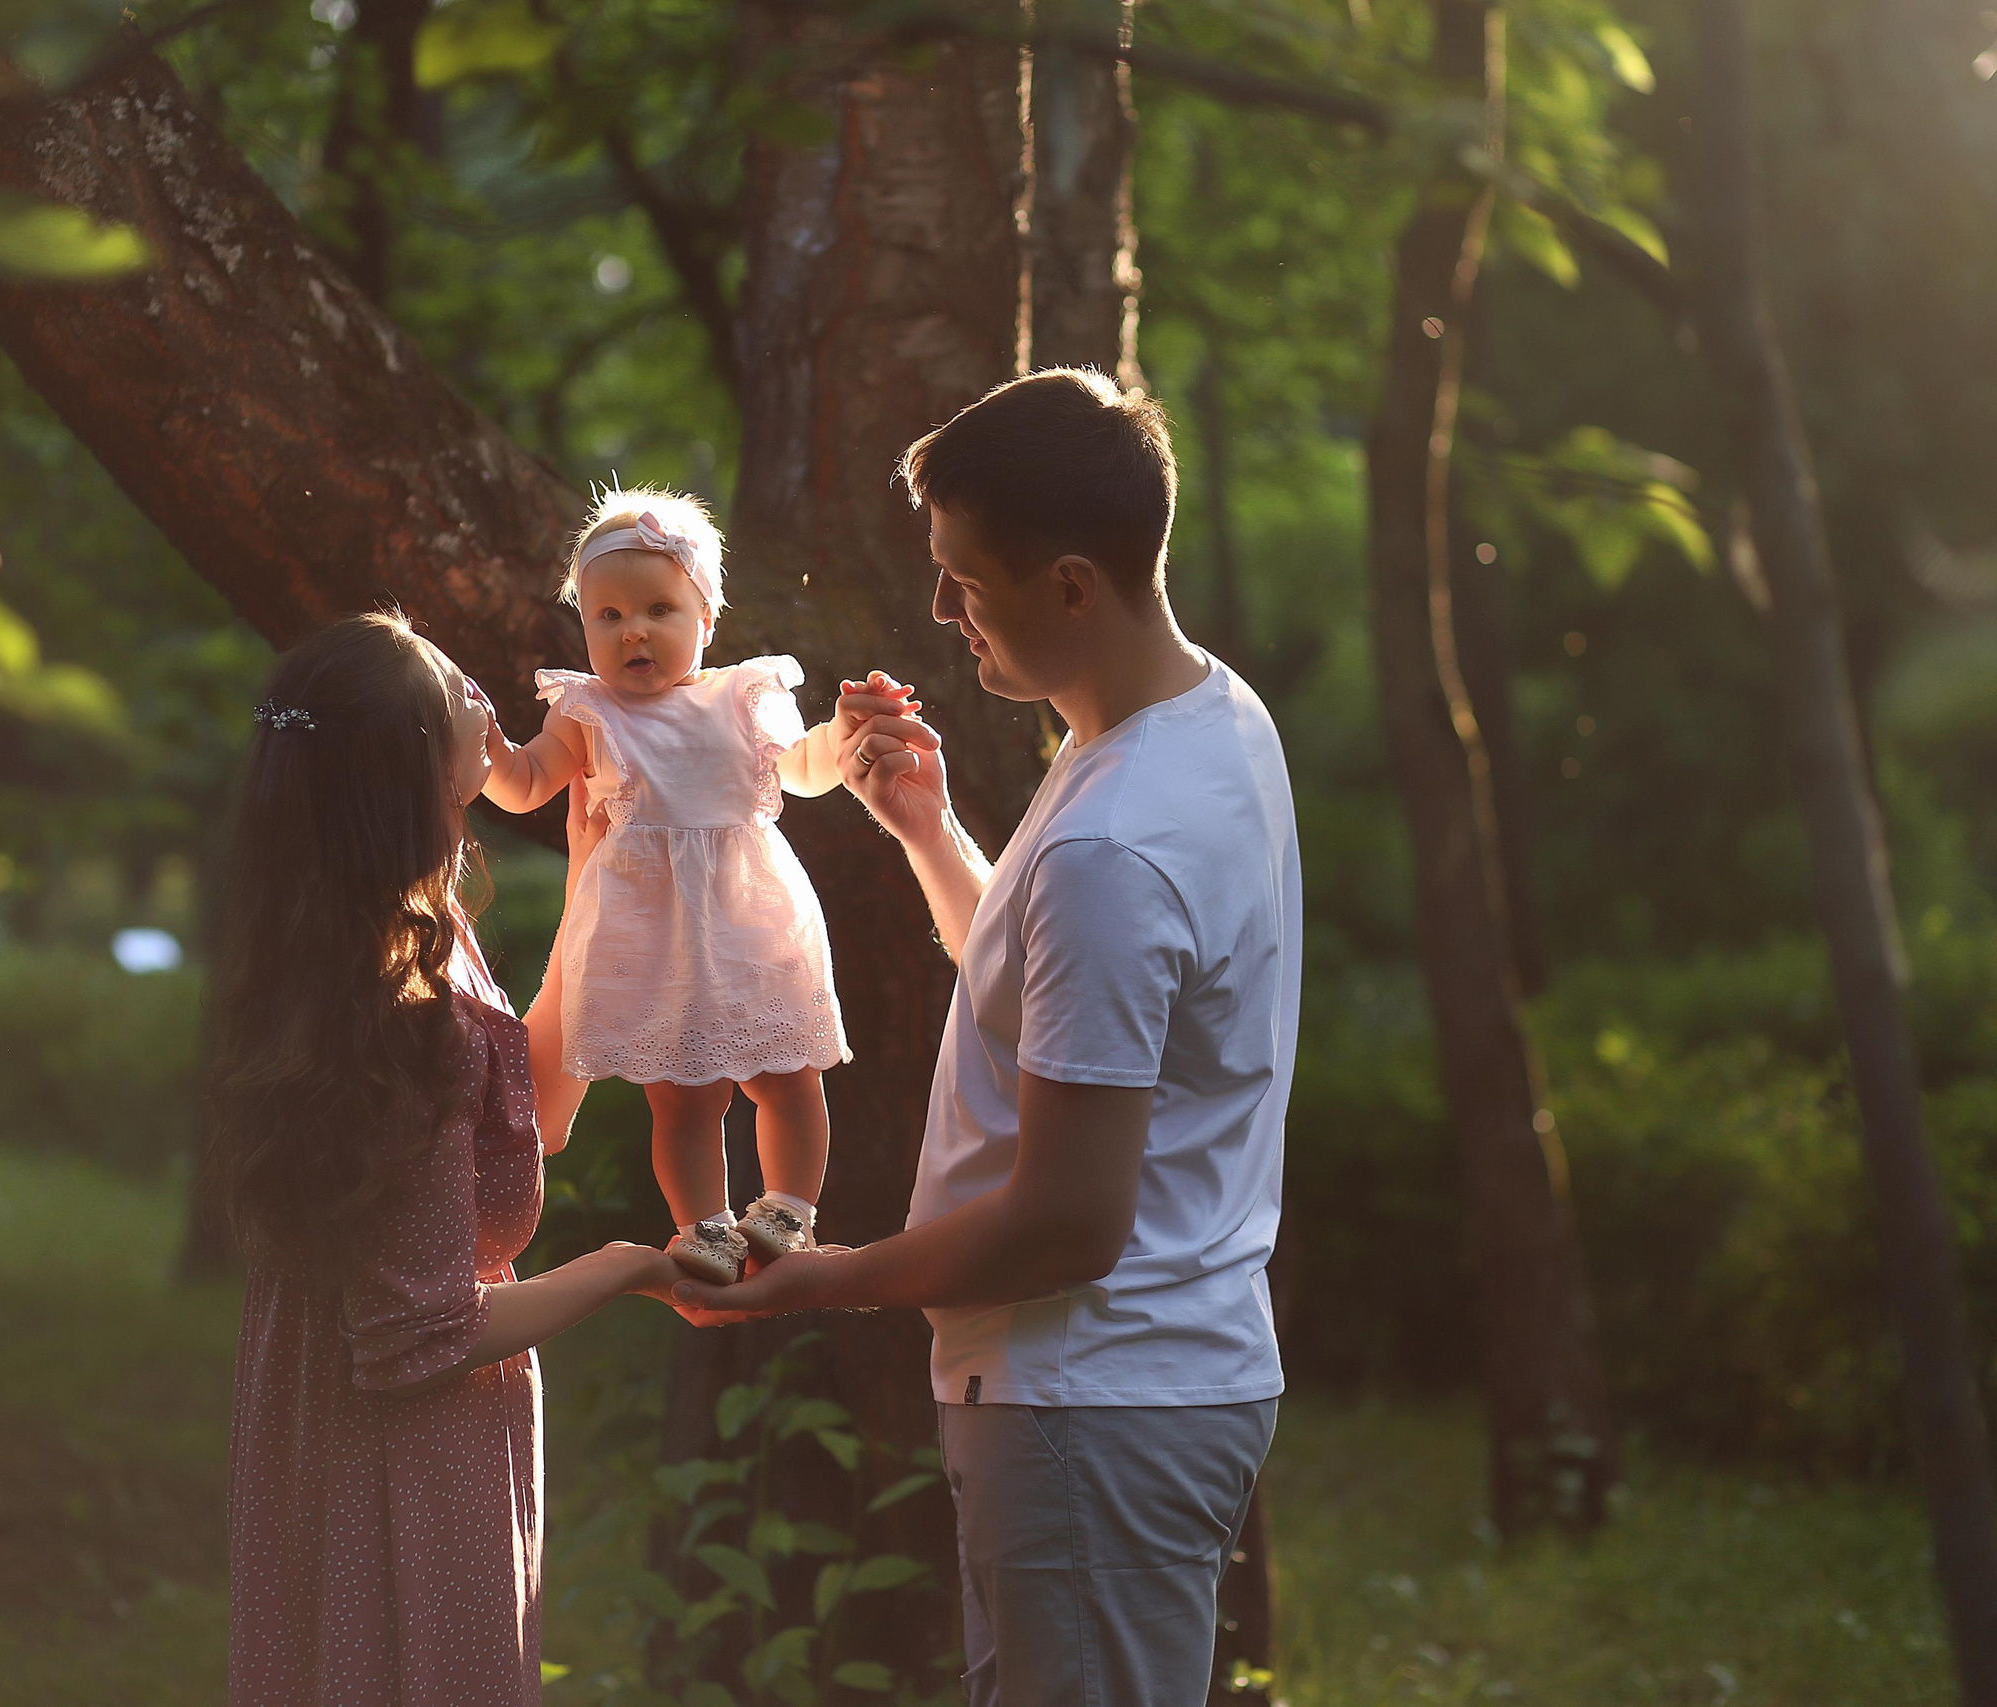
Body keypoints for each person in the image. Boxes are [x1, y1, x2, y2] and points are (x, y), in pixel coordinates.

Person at [675, 369, 1303, 1707]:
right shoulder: (1209, 721)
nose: (947, 612)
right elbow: (1065, 1004)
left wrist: (820, 1275)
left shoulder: (1113, 841)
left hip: (1094, 1402)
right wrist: (930, 833)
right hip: (1138, 1384)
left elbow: (1068, 1223)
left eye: (967, 581)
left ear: (1072, 583)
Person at [207, 611, 680, 1707]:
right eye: (450, 686)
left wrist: (595, 879)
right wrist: (631, 1266)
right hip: (395, 1463)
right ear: (413, 765)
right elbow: (421, 1338)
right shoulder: (398, 1004)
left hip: (335, 1424)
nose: (483, 691)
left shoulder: (392, 935)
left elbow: (530, 1117)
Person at [479, 487, 875, 1285]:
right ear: (585, 627)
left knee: (788, 1076)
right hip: (653, 938)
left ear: (706, 619)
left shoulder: (743, 696)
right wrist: (481, 743)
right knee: (684, 1099)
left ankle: (790, 1207)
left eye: (659, 609)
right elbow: (523, 782)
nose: (634, 631)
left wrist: (844, 734)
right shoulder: (587, 713)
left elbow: (801, 770)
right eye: (609, 616)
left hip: (746, 921)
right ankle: (706, 1227)